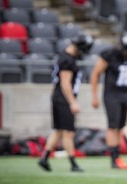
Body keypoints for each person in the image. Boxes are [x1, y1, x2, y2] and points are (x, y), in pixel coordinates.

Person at [38, 33, 94, 172]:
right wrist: (72, 102)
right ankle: (73, 164)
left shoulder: (65, 57)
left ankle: (44, 158)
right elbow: (65, 83)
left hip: (58, 97)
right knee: (68, 132)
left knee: (58, 130)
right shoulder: (67, 60)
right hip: (63, 98)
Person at [90, 33, 127, 169]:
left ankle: (117, 157)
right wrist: (94, 95)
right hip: (111, 95)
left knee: (121, 126)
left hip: (125, 94)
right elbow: (95, 73)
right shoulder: (110, 54)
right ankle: (114, 158)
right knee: (113, 126)